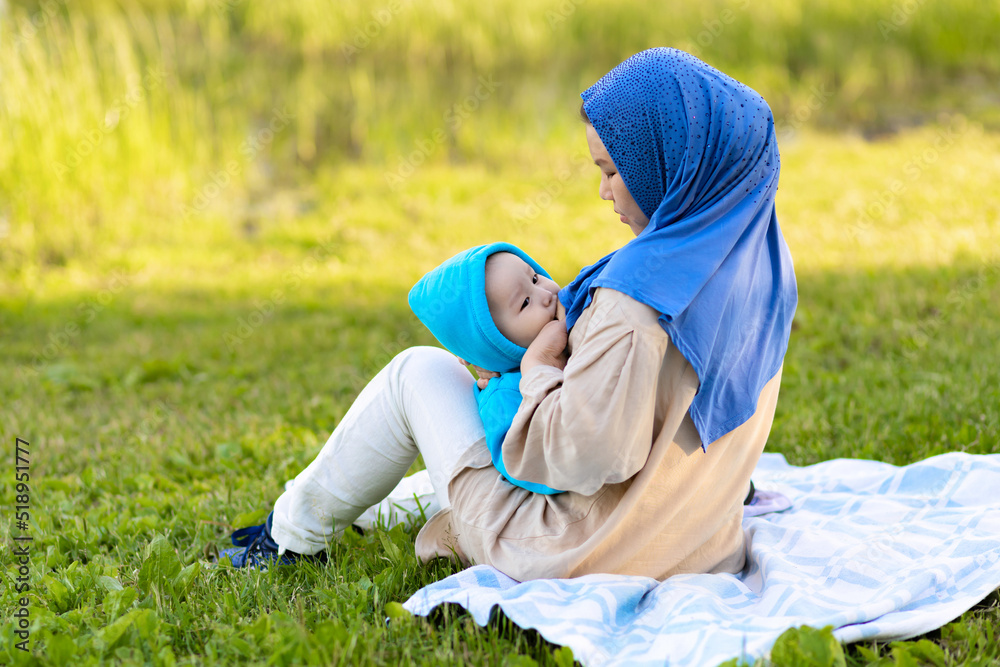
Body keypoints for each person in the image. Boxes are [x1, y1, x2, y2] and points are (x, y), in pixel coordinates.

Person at [221, 47, 797, 581]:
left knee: (418, 375)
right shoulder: (759, 262)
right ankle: (363, 509)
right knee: (457, 440)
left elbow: (588, 457)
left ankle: (290, 536)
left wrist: (541, 373)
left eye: (613, 171)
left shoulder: (636, 303)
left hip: (580, 550)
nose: (604, 192)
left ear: (666, 164)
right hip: (697, 542)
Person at [408, 242, 565, 496]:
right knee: (429, 494)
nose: (546, 295)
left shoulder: (576, 323)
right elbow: (534, 466)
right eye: (525, 302)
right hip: (512, 506)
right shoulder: (503, 398)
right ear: (491, 341)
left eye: (535, 278)